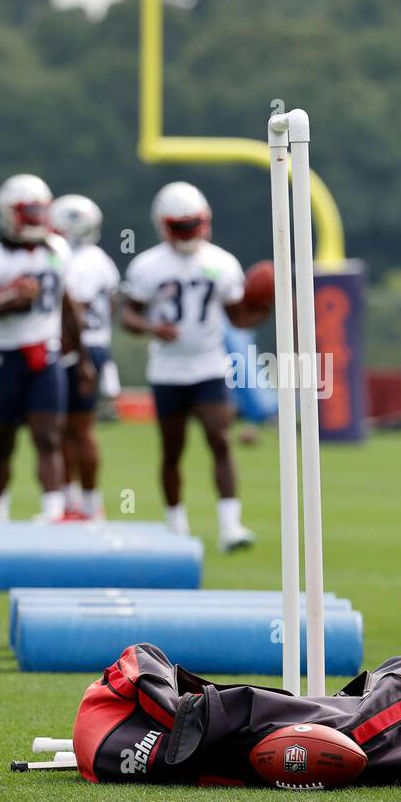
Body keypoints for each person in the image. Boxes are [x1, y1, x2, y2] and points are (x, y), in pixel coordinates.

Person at [121, 181, 267, 551]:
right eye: (180, 226)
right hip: (167, 369)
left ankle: (230, 526)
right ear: (163, 225)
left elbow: (238, 317)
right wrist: (152, 327)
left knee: (220, 438)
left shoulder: (221, 262)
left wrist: (267, 307)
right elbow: (127, 315)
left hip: (209, 365)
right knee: (173, 449)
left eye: (192, 225)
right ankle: (176, 525)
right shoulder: (148, 266)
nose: (188, 234)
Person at [0, 174, 93, 523]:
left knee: (48, 435)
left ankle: (52, 513)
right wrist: (8, 304)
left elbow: (68, 307)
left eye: (40, 211)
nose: (36, 219)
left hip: (46, 355)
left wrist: (81, 359)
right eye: (29, 212)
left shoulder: (57, 251)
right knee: (1, 442)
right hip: (5, 356)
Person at [50, 194, 120, 519]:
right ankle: (80, 503)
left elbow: (73, 309)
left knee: (72, 430)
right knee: (73, 430)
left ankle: (81, 504)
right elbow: (112, 306)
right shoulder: (102, 260)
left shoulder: (68, 258)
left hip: (77, 349)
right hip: (93, 345)